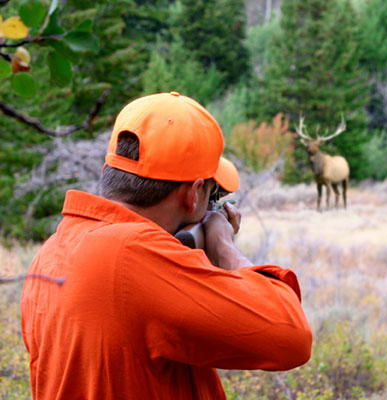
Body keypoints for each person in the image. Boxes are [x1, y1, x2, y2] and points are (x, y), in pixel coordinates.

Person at [20, 91, 313, 399]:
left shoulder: (53, 251)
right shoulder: (134, 254)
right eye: (212, 196)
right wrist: (224, 246)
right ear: (194, 194)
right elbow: (291, 337)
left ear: (110, 172)